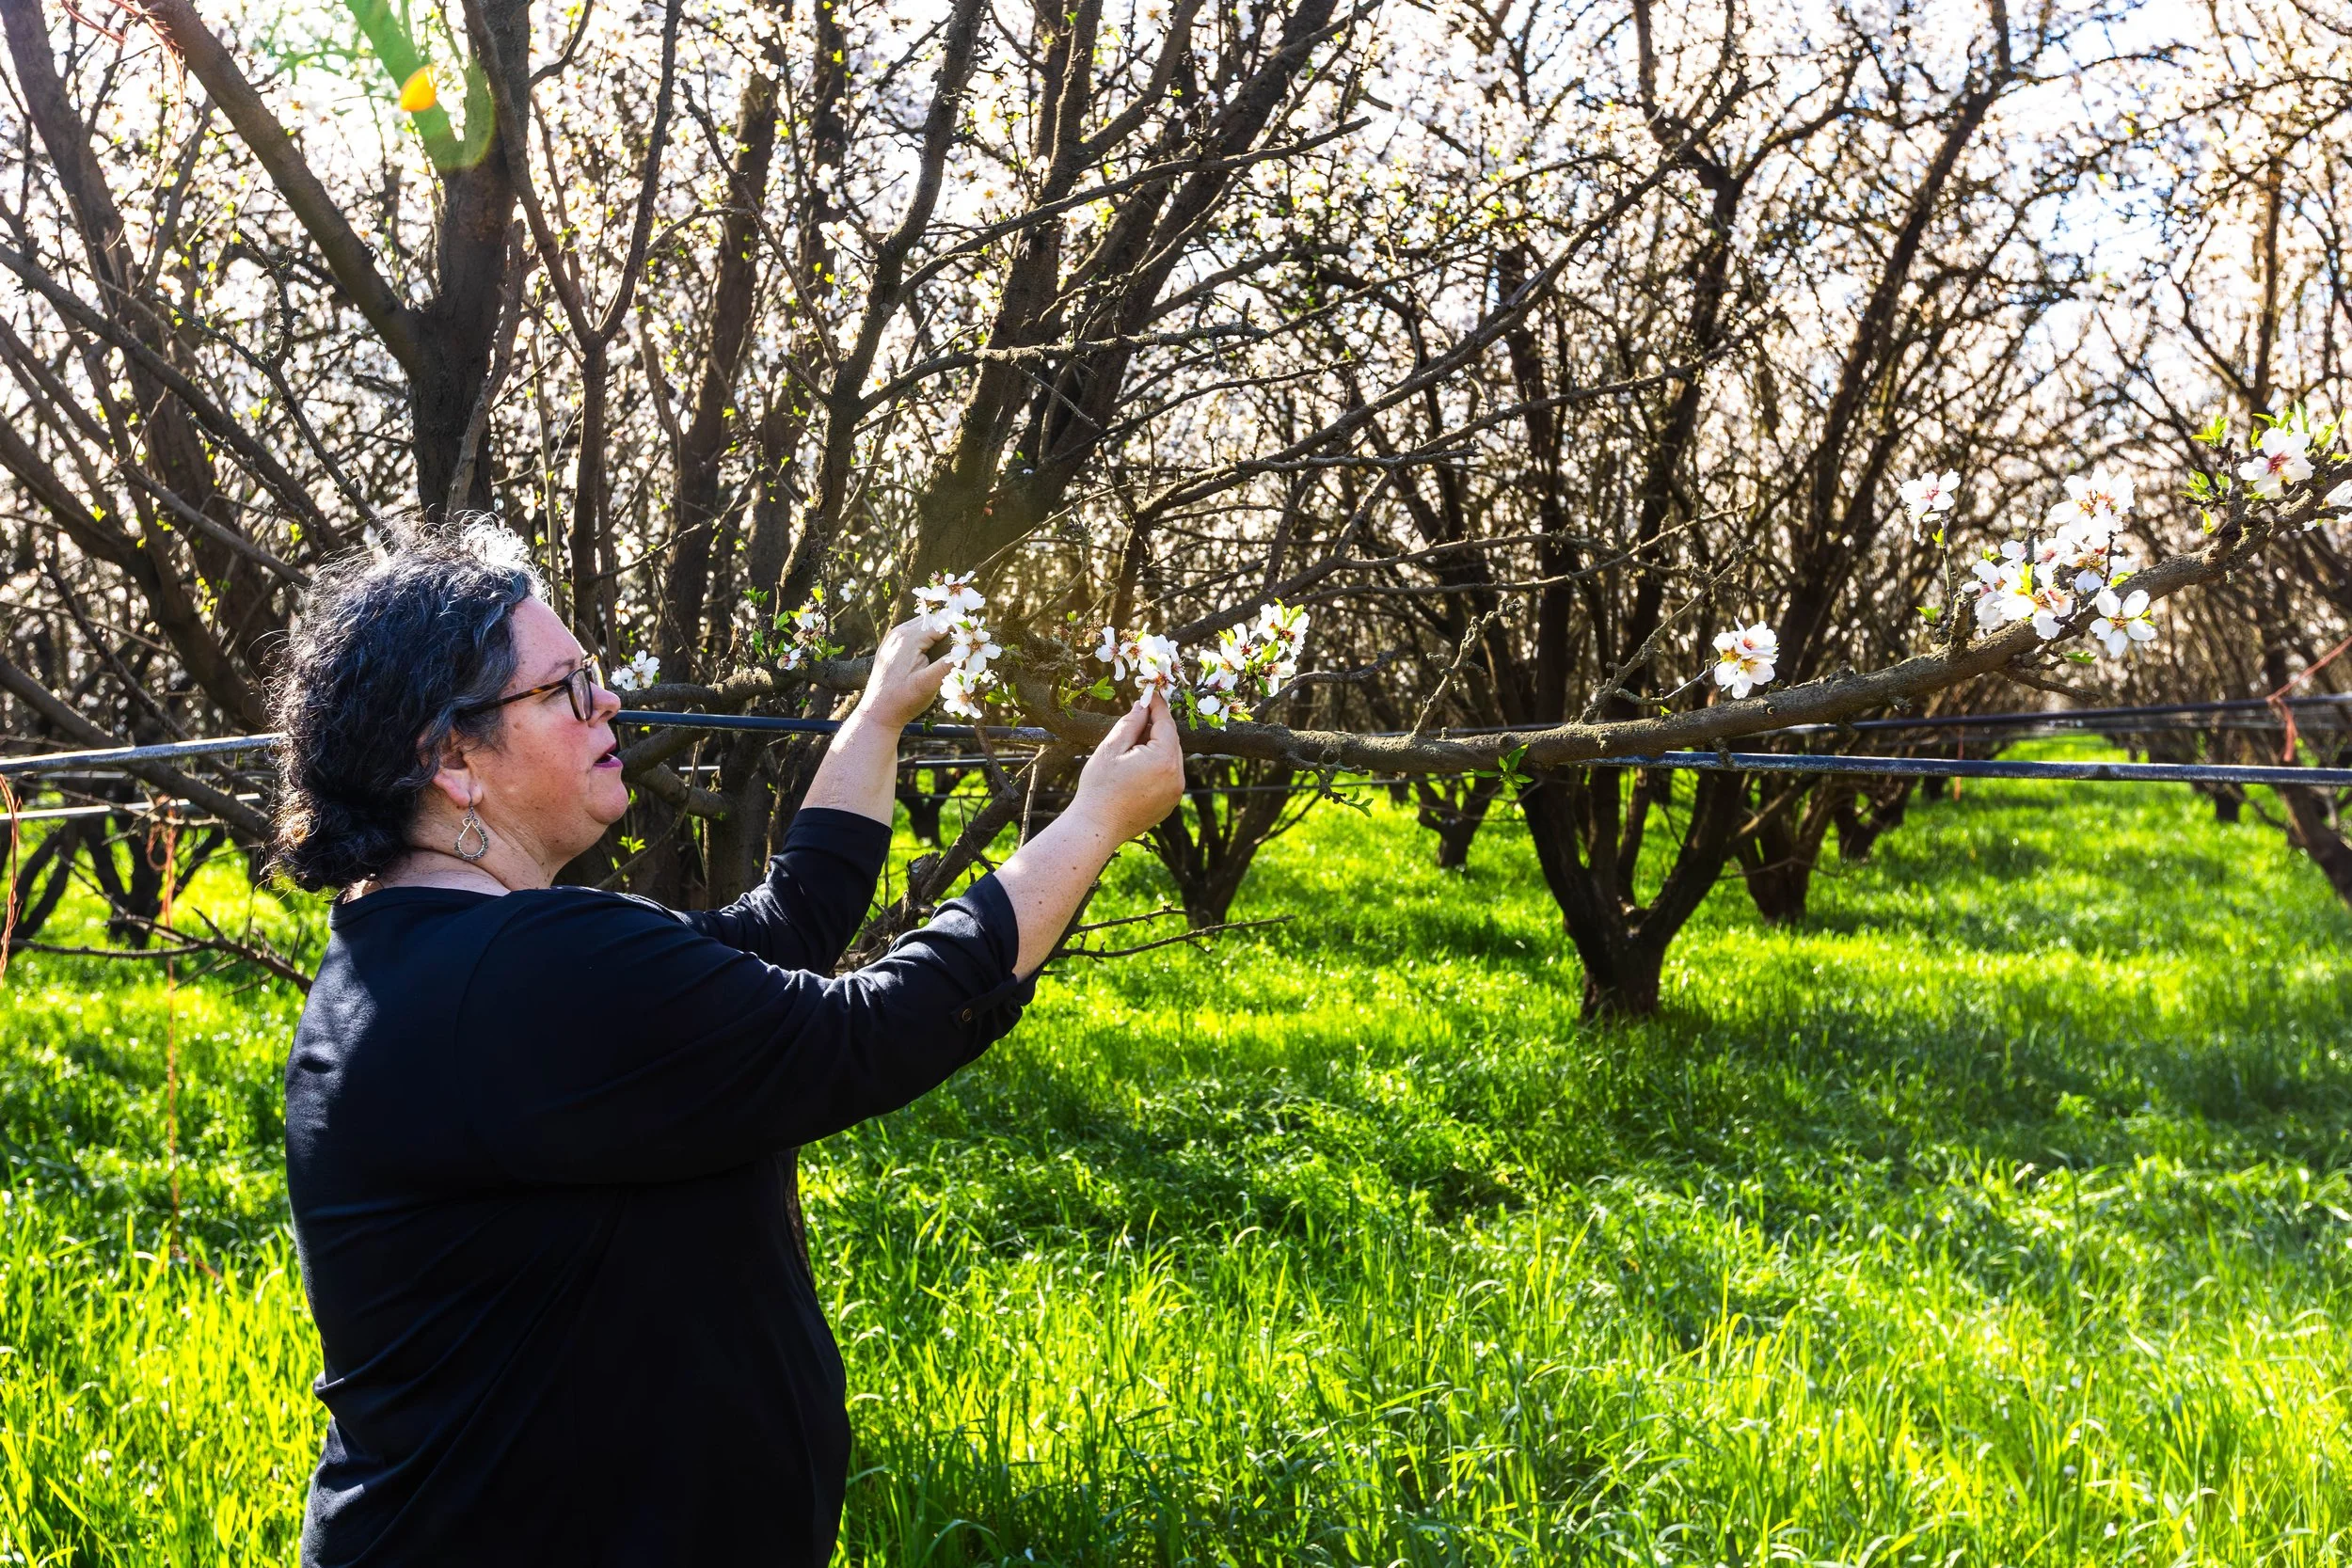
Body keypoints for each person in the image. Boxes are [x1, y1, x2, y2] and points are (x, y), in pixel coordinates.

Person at [269, 529, 1184, 1566]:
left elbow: (786, 918)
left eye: (596, 676)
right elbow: (864, 1032)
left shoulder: (438, 956)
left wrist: (877, 713)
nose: (607, 703)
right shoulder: (521, 976)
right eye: (567, 689)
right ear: (451, 757)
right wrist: (1097, 821)